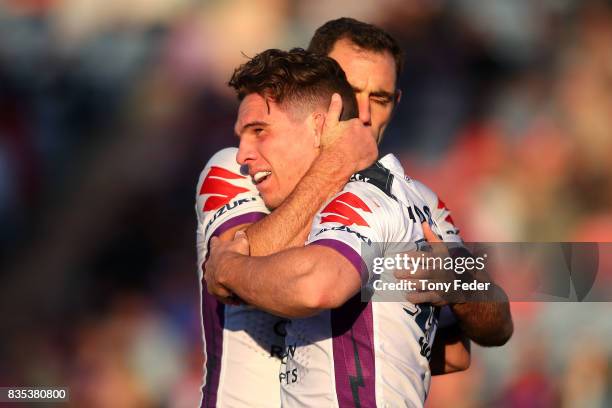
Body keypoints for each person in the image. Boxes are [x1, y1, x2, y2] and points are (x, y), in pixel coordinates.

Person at [204, 47, 467, 407]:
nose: (363, 114)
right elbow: (256, 254)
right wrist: (336, 162)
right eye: (354, 92)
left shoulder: (399, 196)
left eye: (380, 98)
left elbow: (463, 346)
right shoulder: (234, 171)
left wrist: (462, 280)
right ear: (326, 116)